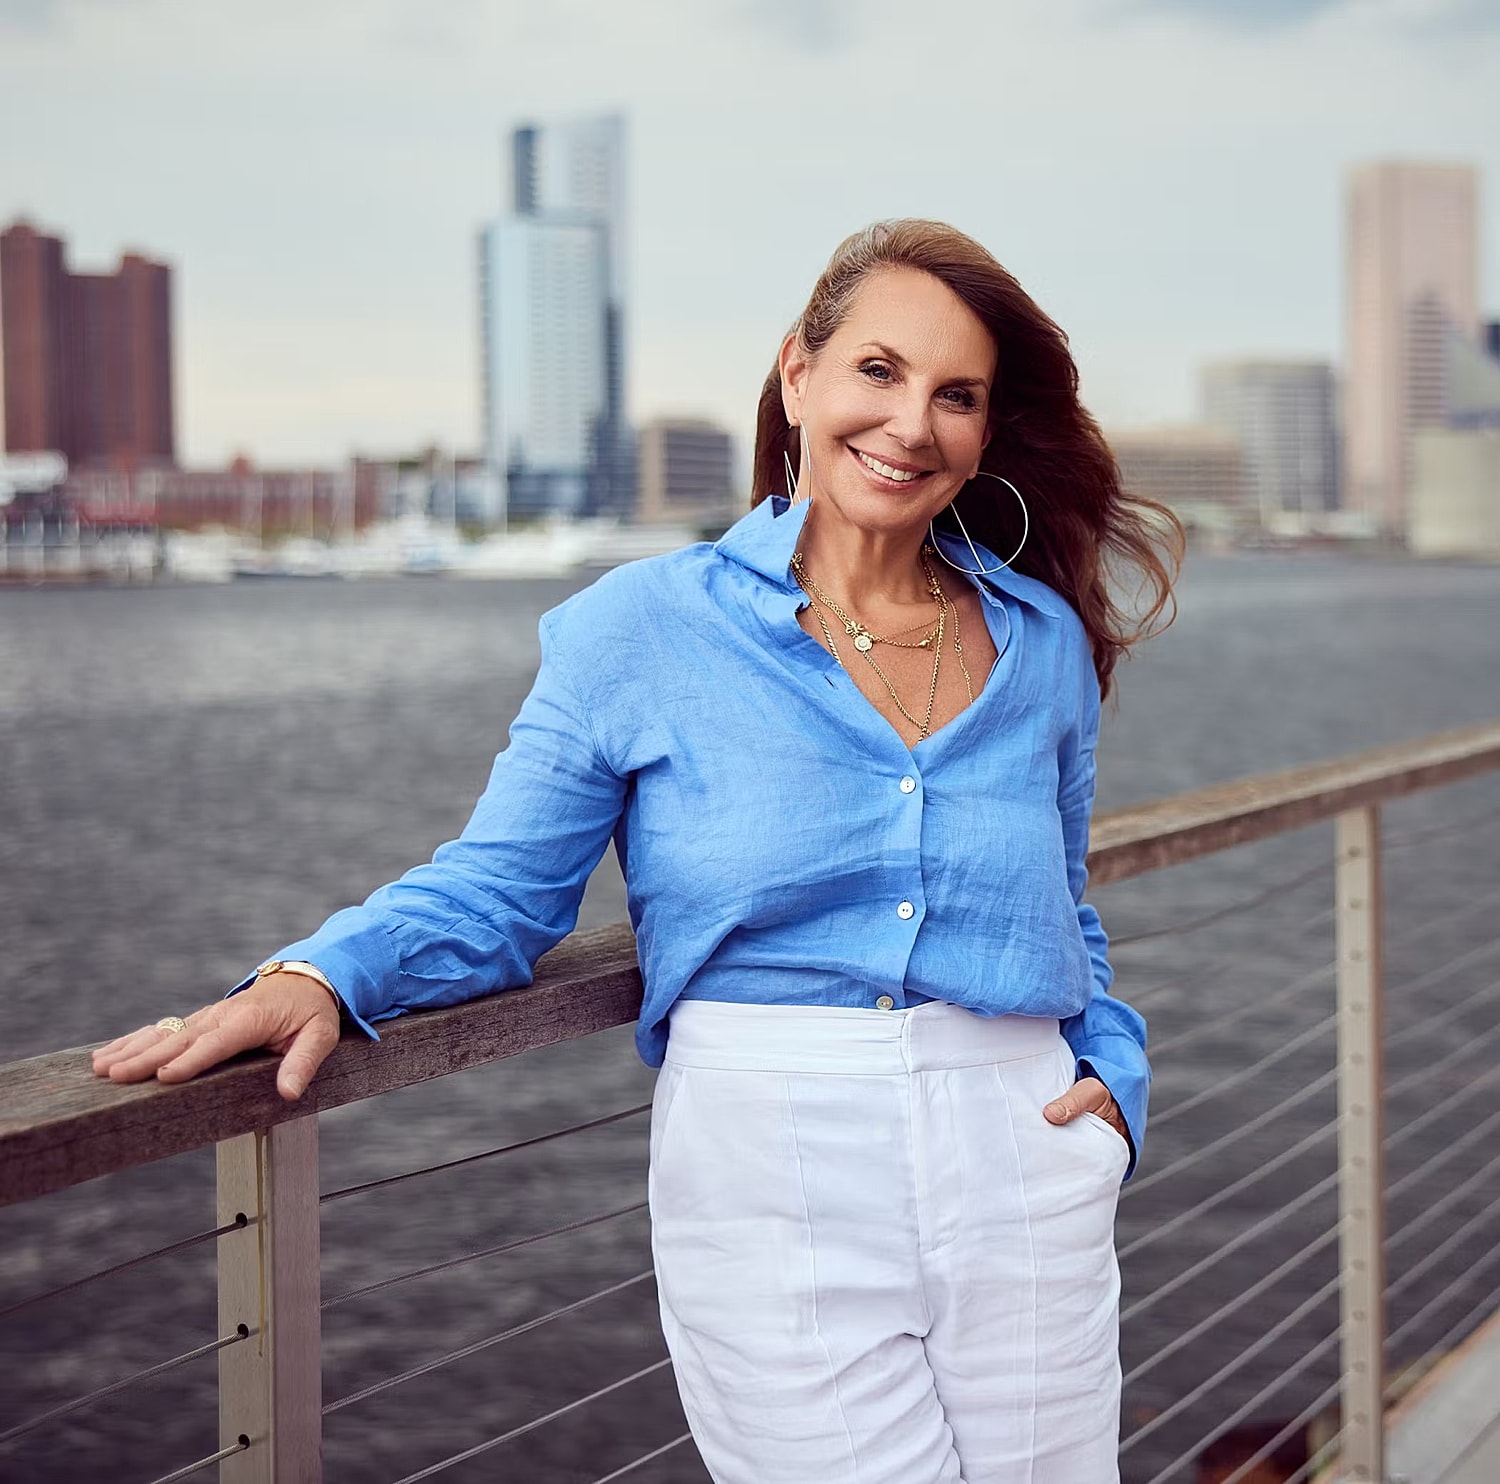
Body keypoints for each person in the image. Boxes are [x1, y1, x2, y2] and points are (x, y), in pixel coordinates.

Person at [94, 219, 1181, 1482]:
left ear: (986, 432)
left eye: (957, 394)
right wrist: (322, 974)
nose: (910, 422)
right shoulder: (638, 629)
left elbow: (1062, 901)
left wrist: (1113, 1073)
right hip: (771, 1166)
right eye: (878, 371)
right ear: (798, 374)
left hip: (1027, 1143)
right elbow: (503, 887)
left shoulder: (1041, 639)